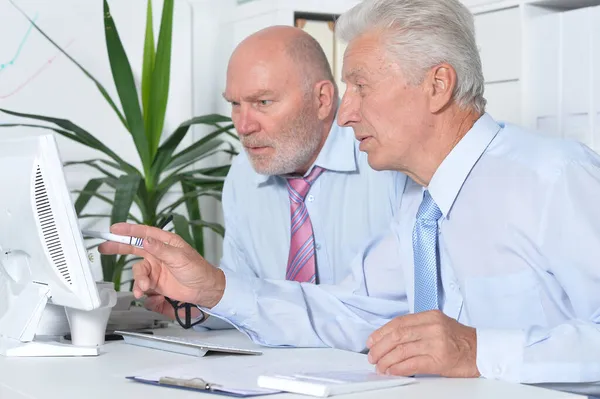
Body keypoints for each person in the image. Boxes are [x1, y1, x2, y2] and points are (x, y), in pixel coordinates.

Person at [99, 0, 600, 393]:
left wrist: (479, 350)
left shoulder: (554, 177)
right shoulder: (419, 205)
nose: (344, 114)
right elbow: (348, 311)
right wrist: (213, 290)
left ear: (437, 85)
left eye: (360, 86)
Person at [136, 25, 405, 329]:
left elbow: (382, 310)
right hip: (272, 370)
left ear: (323, 100)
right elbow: (245, 293)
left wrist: (219, 291)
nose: (243, 125)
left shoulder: (389, 160)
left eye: (263, 102)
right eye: (235, 104)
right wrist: (195, 302)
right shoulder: (243, 172)